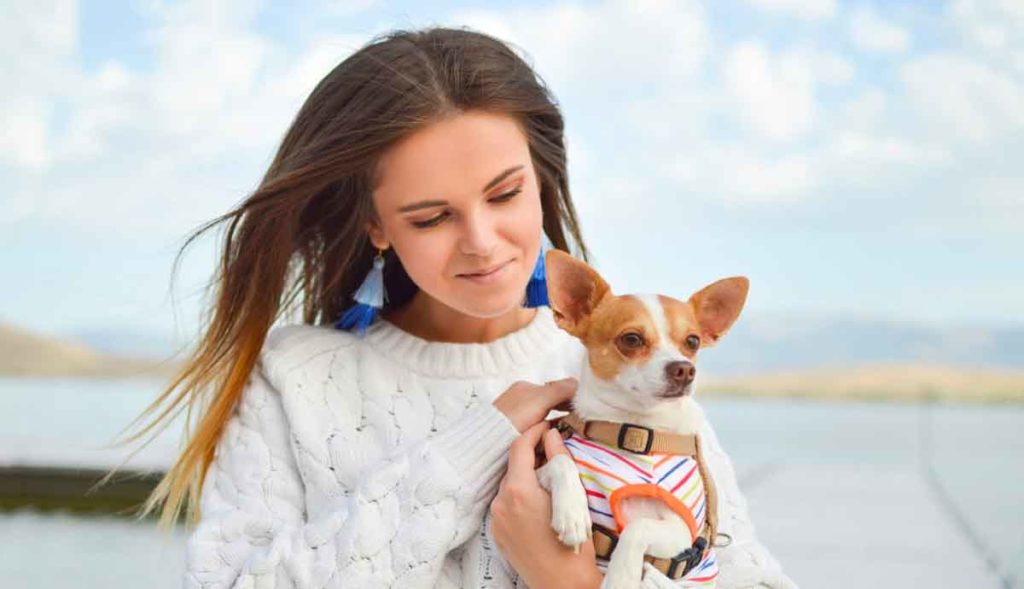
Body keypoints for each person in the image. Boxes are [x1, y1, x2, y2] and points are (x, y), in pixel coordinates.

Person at [115, 26, 795, 589]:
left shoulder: (630, 381)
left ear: (541, 179)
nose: (482, 243)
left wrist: (573, 583)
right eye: (432, 216)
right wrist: (469, 451)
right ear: (377, 225)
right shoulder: (295, 381)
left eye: (504, 195)